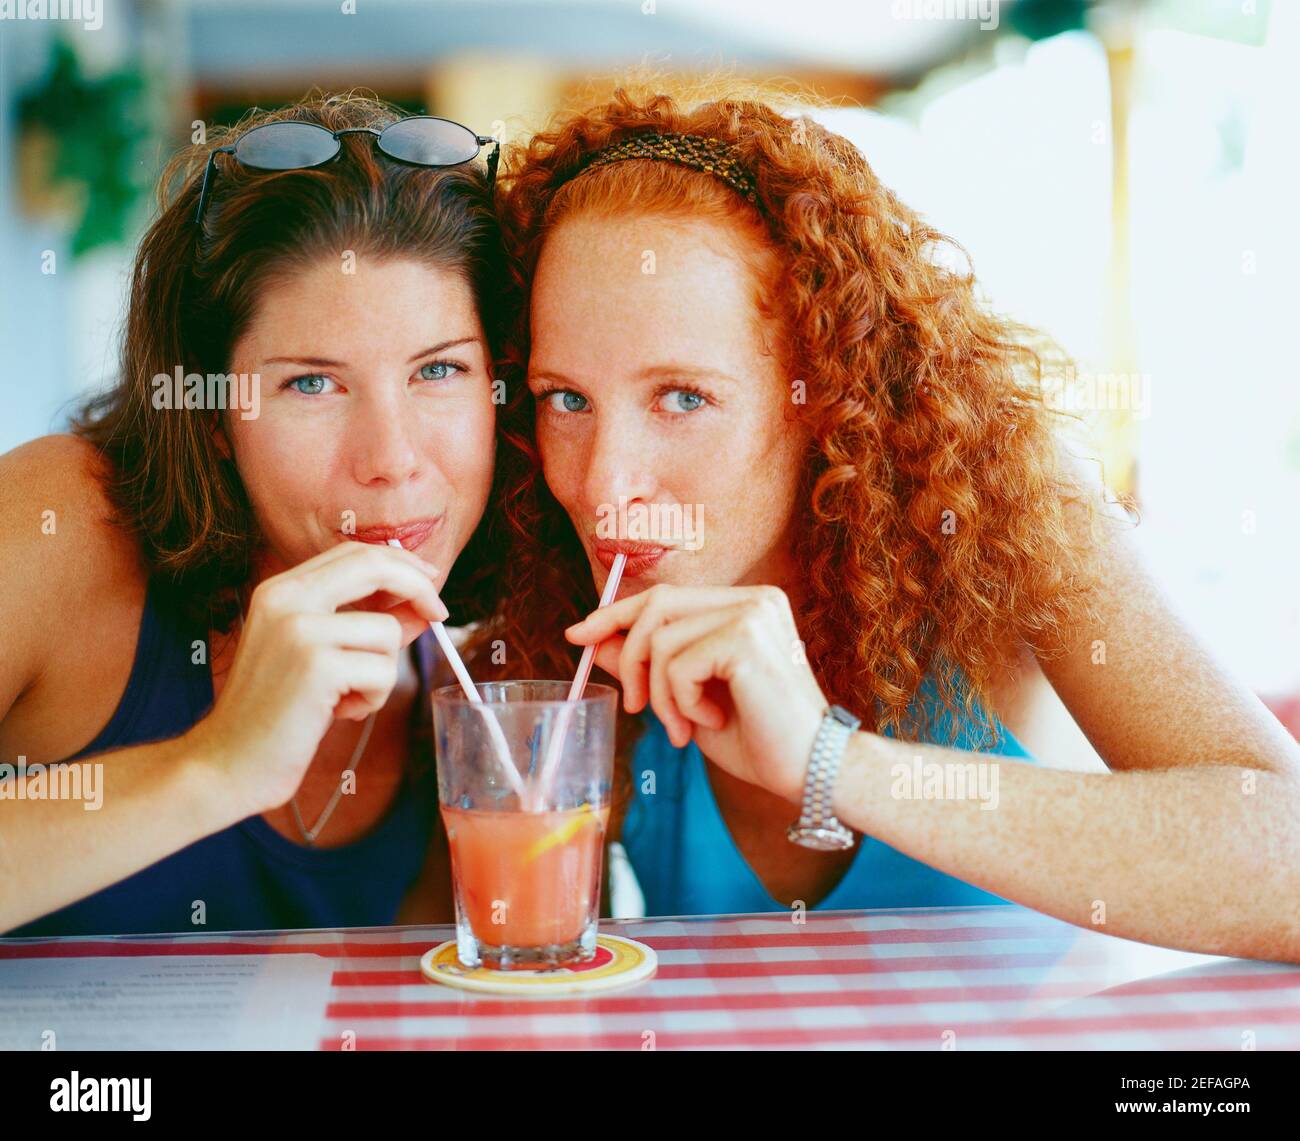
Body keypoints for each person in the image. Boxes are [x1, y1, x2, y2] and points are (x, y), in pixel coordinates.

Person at [484, 79, 1300, 961]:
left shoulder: (1009, 520)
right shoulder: (557, 625)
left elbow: (1285, 854)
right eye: (565, 398)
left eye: (684, 397)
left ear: (824, 397)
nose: (605, 484)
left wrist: (830, 762)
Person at [0, 93, 507, 936]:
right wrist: (216, 765)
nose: (392, 458)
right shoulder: (60, 523)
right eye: (312, 383)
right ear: (210, 415)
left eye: (439, 371)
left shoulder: (487, 687)